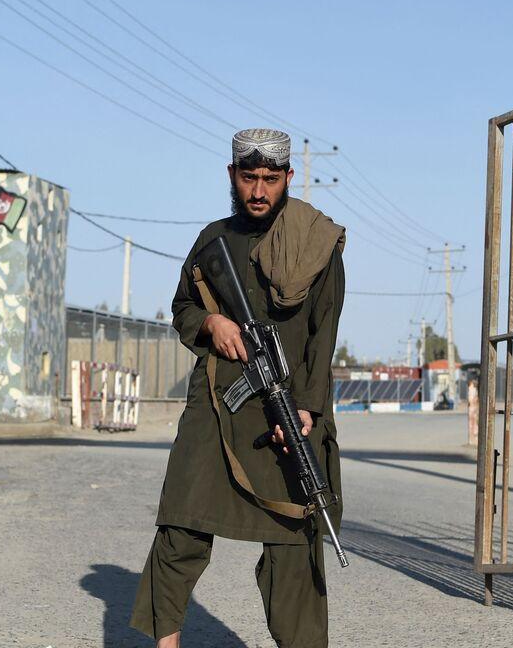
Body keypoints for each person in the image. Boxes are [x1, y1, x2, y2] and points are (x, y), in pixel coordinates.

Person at [131, 128, 346, 648]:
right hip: (217, 404)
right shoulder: (213, 241)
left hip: (289, 406)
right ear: (232, 175)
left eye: (271, 179)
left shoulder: (317, 245)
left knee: (292, 541)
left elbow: (324, 336)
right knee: (181, 524)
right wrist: (211, 324)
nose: (258, 190)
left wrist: (308, 410)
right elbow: (182, 307)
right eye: (249, 177)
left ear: (289, 179)